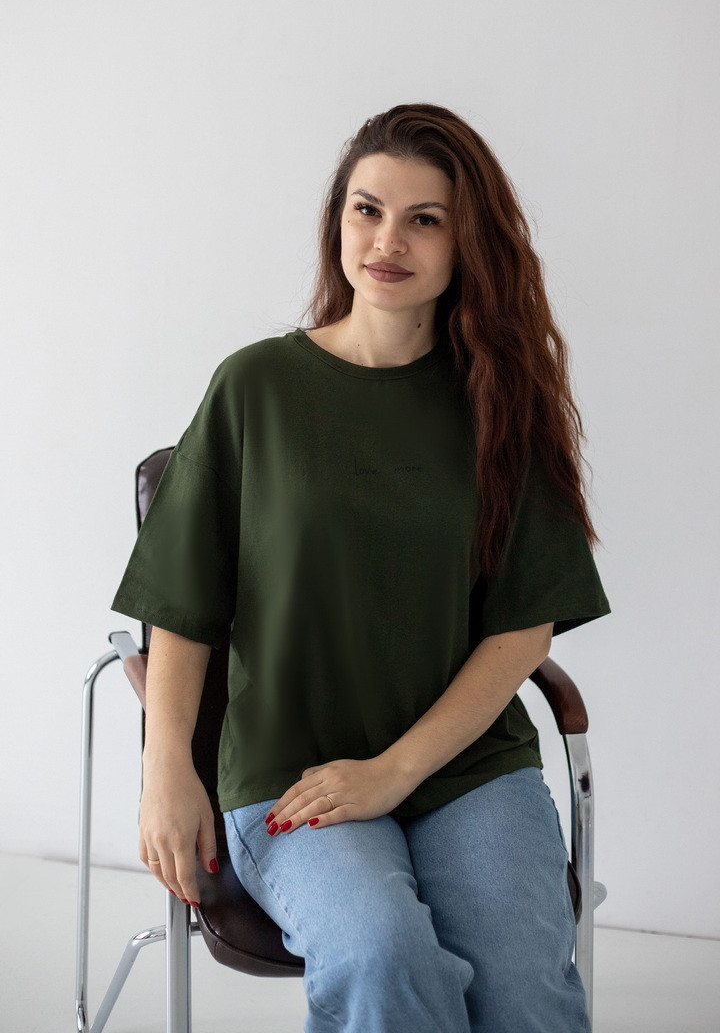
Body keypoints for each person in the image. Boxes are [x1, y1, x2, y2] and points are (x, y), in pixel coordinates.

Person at [111, 102, 611, 1033]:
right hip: (288, 769)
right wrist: (165, 769)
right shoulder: (256, 386)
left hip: (464, 766)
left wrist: (391, 771)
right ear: (337, 220)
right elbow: (182, 602)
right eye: (367, 210)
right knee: (382, 955)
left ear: (468, 244)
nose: (388, 241)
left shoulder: (501, 403)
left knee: (521, 985)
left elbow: (523, 624)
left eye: (425, 219)